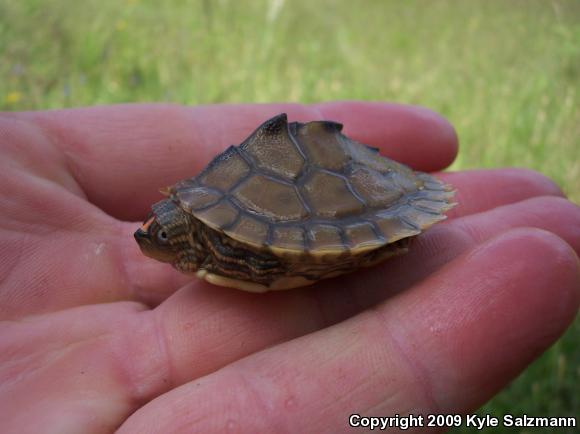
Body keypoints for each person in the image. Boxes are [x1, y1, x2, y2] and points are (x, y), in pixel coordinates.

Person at [0, 102, 578, 433]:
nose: (155, 236)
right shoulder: (204, 241)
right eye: (163, 227)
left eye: (166, 231)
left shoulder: (229, 245)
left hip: (354, 195)